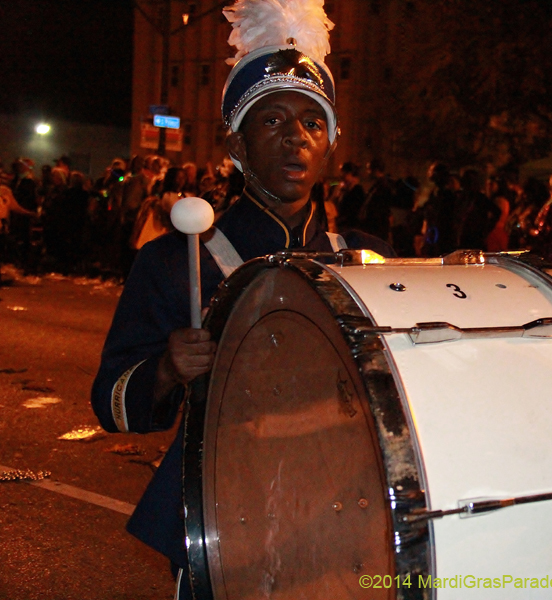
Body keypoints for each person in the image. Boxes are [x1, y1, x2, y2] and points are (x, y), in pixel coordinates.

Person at [90, 2, 393, 597]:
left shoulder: (368, 260)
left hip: (343, 517)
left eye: (313, 124)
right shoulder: (177, 262)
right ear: (236, 141)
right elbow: (111, 403)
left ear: (331, 145)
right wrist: (168, 368)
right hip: (224, 521)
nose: (295, 140)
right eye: (273, 120)